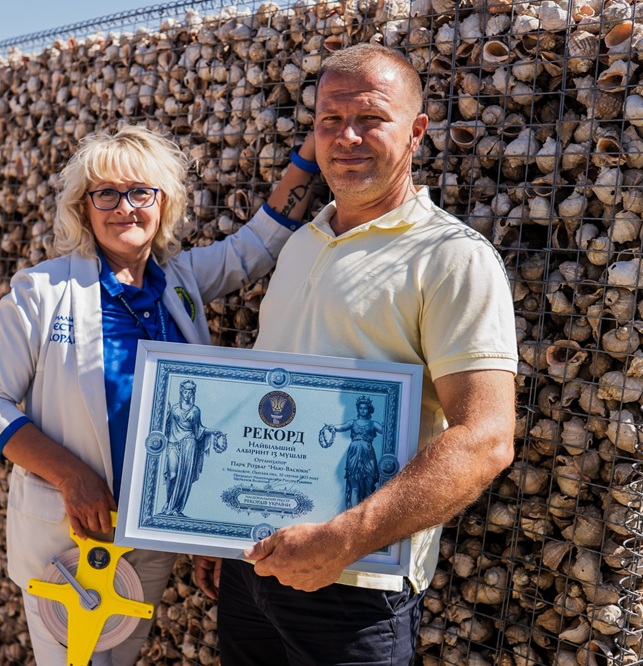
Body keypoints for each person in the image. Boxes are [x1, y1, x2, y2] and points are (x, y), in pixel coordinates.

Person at [193, 43, 518, 665]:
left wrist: (344, 540)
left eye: (371, 119)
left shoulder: (452, 257)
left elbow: (485, 438)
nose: (347, 137)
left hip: (357, 586)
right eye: (330, 121)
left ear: (416, 132)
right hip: (253, 564)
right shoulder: (303, 243)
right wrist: (218, 522)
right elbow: (267, 397)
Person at [0, 124, 317, 666]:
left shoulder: (181, 281)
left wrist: (312, 152)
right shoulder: (42, 291)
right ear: (83, 208)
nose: (124, 208)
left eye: (140, 192)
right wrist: (71, 476)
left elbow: (257, 245)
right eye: (105, 193)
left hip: (153, 534)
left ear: (164, 202)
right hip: (70, 531)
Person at [161, 379, 223, 516]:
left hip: (189, 444)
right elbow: (165, 424)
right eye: (185, 392)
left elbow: (199, 430)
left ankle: (176, 508)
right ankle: (168, 502)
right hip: (173, 442)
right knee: (172, 475)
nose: (187, 394)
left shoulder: (195, 411)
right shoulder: (174, 408)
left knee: (184, 477)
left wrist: (214, 431)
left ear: (193, 393)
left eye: (190, 392)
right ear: (181, 392)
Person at [323, 395, 384, 511]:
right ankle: (354, 513)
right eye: (360, 408)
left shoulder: (373, 424)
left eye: (365, 408)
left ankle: (367, 512)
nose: (362, 410)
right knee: (354, 484)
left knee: (369, 483)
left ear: (369, 410)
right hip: (354, 454)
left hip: (368, 454)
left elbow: (385, 431)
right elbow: (341, 427)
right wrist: (332, 427)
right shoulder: (352, 422)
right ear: (358, 409)